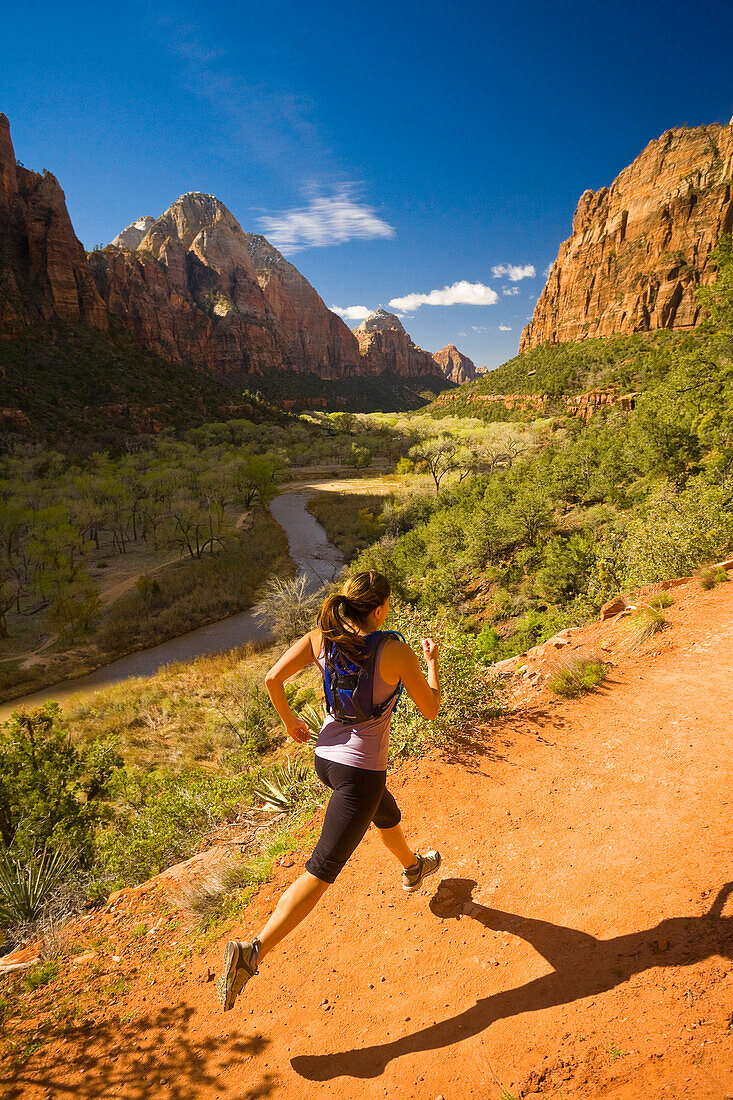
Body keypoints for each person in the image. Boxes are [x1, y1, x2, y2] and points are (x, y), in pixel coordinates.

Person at [217, 570, 442, 1011]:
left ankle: (414, 866)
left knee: (386, 813)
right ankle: (254, 950)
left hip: (327, 760)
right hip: (360, 774)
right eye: (388, 606)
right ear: (379, 609)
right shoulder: (395, 651)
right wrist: (432, 661)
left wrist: (289, 722)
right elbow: (431, 710)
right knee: (321, 871)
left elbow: (271, 679)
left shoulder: (322, 637)